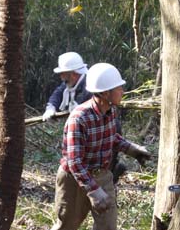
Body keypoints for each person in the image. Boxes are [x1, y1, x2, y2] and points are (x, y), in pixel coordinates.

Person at [44, 63, 151, 230]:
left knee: (107, 227)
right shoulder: (78, 118)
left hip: (102, 174)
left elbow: (112, 138)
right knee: (68, 224)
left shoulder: (111, 112)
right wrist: (92, 190)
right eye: (118, 88)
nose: (122, 91)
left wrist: (132, 149)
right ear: (104, 93)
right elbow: (74, 161)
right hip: (74, 179)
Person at [42, 52, 127, 181]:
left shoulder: (92, 83)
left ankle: (109, 177)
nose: (61, 77)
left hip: (106, 128)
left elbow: (92, 107)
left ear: (74, 73)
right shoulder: (70, 83)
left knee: (104, 159)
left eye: (63, 73)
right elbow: (58, 93)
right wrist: (51, 107)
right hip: (88, 131)